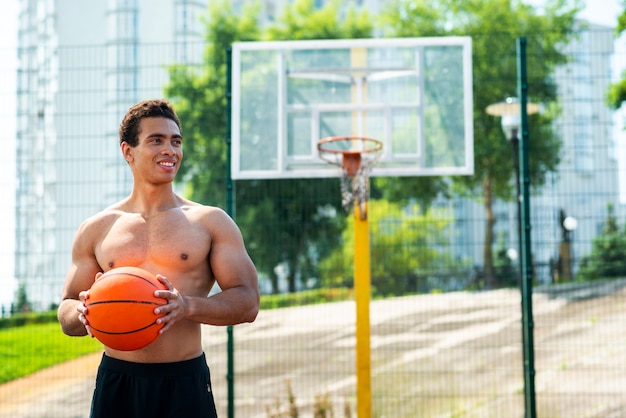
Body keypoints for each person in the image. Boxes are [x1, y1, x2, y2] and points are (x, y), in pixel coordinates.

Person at [57, 99, 259, 418]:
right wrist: (83, 311)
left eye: (175, 141)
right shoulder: (97, 229)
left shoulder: (209, 222)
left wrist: (186, 306)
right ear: (128, 151)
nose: (170, 150)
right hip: (117, 382)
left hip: (184, 383)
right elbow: (66, 310)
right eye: (156, 140)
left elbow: (248, 303)